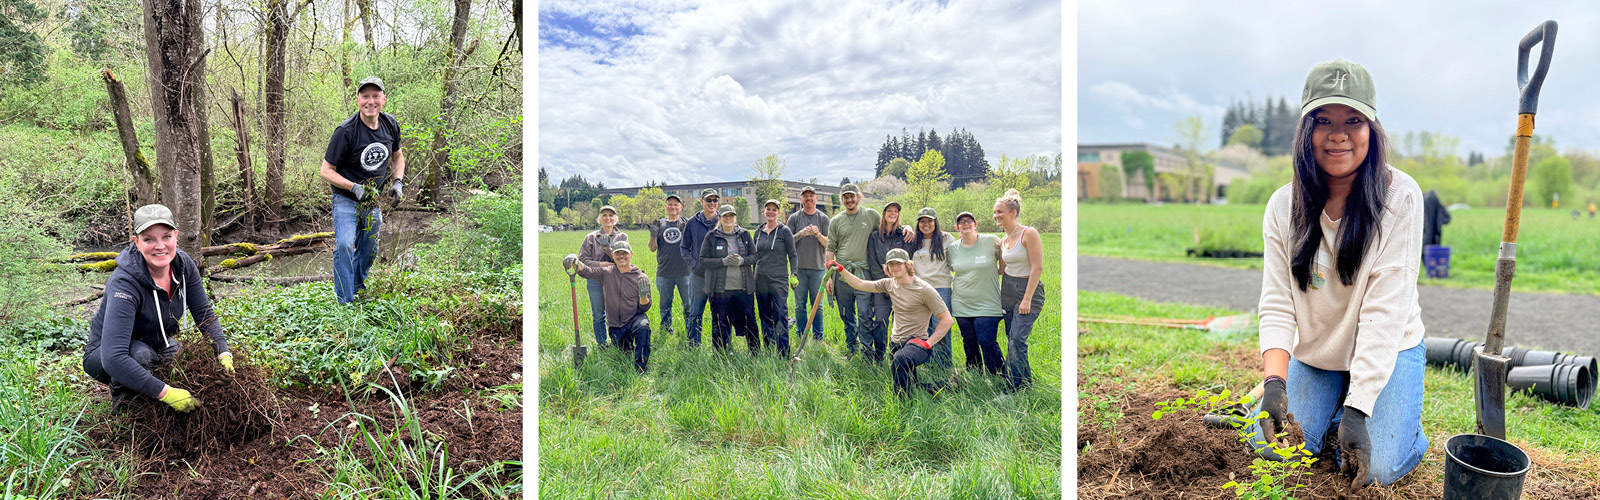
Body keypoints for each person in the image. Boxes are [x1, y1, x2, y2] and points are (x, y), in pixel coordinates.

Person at [1251, 59, 1427, 489]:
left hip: (1390, 347)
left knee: (1378, 468)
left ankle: (1402, 427)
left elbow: (1385, 315)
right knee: (1272, 447)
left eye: (1353, 120)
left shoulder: (1399, 198)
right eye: (1323, 120)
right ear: (1305, 131)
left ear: (1372, 129)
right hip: (1320, 353)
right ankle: (1311, 401)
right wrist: (1275, 382)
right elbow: (1277, 301)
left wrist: (1359, 407)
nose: (1339, 134)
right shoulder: (1282, 207)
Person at [83, 204, 234, 414]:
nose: (160, 246)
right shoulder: (124, 282)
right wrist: (167, 394)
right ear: (136, 242)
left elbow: (204, 314)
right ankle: (125, 406)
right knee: (141, 356)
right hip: (104, 355)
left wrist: (223, 354)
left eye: (166, 237)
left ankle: (151, 393)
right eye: (149, 239)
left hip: (156, 342)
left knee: (180, 356)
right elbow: (113, 357)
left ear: (176, 236)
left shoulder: (183, 266)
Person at [319, 76, 405, 304]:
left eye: (376, 96)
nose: (371, 101)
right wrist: (353, 187)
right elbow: (326, 171)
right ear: (358, 100)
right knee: (346, 245)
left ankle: (355, 288)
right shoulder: (346, 131)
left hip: (372, 202)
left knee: (368, 252)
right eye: (365, 96)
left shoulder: (390, 125)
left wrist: (398, 182)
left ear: (383, 99)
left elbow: (397, 156)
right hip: (346, 199)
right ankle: (345, 303)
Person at [827, 249, 953, 396]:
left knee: (901, 361)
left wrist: (927, 344)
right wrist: (841, 269)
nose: (895, 267)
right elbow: (860, 284)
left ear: (908, 265)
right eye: (891, 264)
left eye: (898, 263)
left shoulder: (924, 289)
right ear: (887, 267)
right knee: (912, 383)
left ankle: (903, 404)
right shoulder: (889, 284)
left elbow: (947, 320)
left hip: (917, 343)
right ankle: (950, 386)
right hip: (896, 344)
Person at [565, 241, 653, 373]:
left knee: (643, 327)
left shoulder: (640, 277)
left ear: (631, 255)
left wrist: (643, 296)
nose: (621, 256)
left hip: (634, 318)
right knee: (623, 352)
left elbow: (645, 307)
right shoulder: (606, 272)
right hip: (616, 325)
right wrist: (576, 262)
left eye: (625, 253)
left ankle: (640, 367)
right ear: (613, 255)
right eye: (618, 253)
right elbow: (588, 271)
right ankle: (629, 347)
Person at [995, 188, 1044, 394]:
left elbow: (1037, 267)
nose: (996, 216)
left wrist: (1027, 299)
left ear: (1013, 212)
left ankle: (1012, 390)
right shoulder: (1003, 240)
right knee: (1012, 338)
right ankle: (1025, 384)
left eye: (1000, 212)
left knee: (1017, 339)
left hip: (1028, 291)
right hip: (1008, 289)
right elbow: (1001, 270)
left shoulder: (1028, 233)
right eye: (995, 212)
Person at [946, 211, 1005, 375]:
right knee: (969, 341)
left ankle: (998, 375)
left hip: (988, 302)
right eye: (961, 221)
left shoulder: (991, 240)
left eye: (969, 220)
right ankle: (974, 375)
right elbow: (952, 268)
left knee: (986, 340)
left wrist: (1002, 271)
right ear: (957, 227)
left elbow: (1006, 257)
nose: (965, 223)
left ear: (975, 223)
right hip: (961, 302)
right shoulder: (952, 248)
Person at [823, 184, 878, 358]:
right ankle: (851, 349)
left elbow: (889, 229)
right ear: (842, 200)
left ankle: (868, 351)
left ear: (859, 197)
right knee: (846, 315)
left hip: (863, 273)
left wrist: (905, 228)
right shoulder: (836, 220)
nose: (849, 200)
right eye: (845, 197)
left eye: (852, 196)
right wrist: (829, 276)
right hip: (842, 275)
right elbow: (830, 249)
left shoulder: (871, 215)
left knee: (865, 313)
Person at [862, 201, 917, 363]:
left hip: (903, 286)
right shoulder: (874, 237)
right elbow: (873, 263)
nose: (893, 214)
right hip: (882, 286)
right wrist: (887, 284)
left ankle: (898, 354)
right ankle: (879, 355)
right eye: (889, 211)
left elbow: (908, 261)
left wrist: (899, 282)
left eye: (896, 211)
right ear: (884, 214)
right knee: (880, 320)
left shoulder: (904, 235)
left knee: (902, 320)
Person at [700, 205, 759, 354]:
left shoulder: (744, 235)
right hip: (719, 290)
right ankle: (721, 355)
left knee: (749, 322)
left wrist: (742, 261)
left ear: (735, 218)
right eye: (725, 216)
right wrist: (723, 262)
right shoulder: (712, 237)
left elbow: (755, 256)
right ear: (719, 218)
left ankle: (755, 354)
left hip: (743, 289)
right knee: (720, 324)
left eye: (731, 216)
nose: (728, 219)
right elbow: (703, 260)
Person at [911, 207, 957, 375]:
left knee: (941, 326)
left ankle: (944, 365)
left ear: (935, 222)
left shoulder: (946, 239)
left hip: (941, 288)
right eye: (922, 221)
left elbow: (955, 262)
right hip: (921, 290)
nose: (926, 224)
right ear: (918, 224)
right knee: (925, 328)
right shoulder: (915, 241)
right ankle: (929, 362)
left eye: (929, 221)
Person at [578, 205, 628, 348]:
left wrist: (608, 249)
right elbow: (583, 260)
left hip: (615, 279)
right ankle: (602, 343)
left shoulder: (622, 236)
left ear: (615, 219)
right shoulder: (591, 237)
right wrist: (601, 265)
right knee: (599, 314)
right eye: (604, 215)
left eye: (611, 215)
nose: (608, 218)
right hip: (595, 280)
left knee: (616, 311)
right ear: (599, 218)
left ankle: (618, 341)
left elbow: (623, 257)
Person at [753, 200, 797, 358]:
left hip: (778, 279)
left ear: (779, 213)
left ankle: (783, 352)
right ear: (764, 211)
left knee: (780, 313)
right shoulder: (758, 231)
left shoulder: (784, 231)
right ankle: (769, 346)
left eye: (774, 210)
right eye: (768, 209)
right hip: (760, 279)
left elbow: (792, 254)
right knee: (764, 315)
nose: (771, 212)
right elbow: (754, 256)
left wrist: (794, 274)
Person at [679, 188, 722, 347]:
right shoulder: (692, 223)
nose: (712, 203)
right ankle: (694, 346)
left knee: (719, 314)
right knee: (695, 312)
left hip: (719, 277)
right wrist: (694, 264)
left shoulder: (723, 221)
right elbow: (684, 248)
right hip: (698, 277)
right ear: (701, 201)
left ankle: (720, 348)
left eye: (715, 200)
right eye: (708, 200)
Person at [787, 186, 830, 341]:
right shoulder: (794, 218)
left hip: (818, 269)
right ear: (801, 200)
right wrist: (800, 234)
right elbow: (787, 241)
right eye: (805, 196)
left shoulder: (823, 219)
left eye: (811, 196)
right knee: (799, 305)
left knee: (817, 305)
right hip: (798, 269)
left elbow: (829, 244)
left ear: (816, 199)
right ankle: (801, 335)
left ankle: (818, 337)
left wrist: (818, 235)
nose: (809, 199)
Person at [649, 194, 692, 337]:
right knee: (665, 306)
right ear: (666, 206)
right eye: (670, 204)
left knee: (688, 305)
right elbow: (652, 248)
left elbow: (694, 245)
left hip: (685, 271)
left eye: (676, 204)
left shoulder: (687, 222)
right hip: (664, 272)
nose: (673, 207)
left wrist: (687, 232)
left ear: (681, 207)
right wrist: (653, 234)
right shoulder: (660, 224)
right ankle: (667, 331)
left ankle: (690, 330)